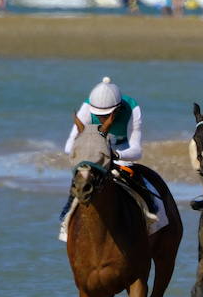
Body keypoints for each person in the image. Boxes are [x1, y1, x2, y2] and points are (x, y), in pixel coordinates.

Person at [60, 76, 151, 240]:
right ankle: (65, 222)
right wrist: (89, 155)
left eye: (107, 115)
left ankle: (152, 216)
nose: (102, 118)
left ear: (117, 109)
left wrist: (115, 155)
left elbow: (137, 150)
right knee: (80, 181)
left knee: (138, 181)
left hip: (121, 150)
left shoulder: (132, 108)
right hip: (93, 153)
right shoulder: (87, 107)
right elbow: (69, 146)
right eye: (99, 115)